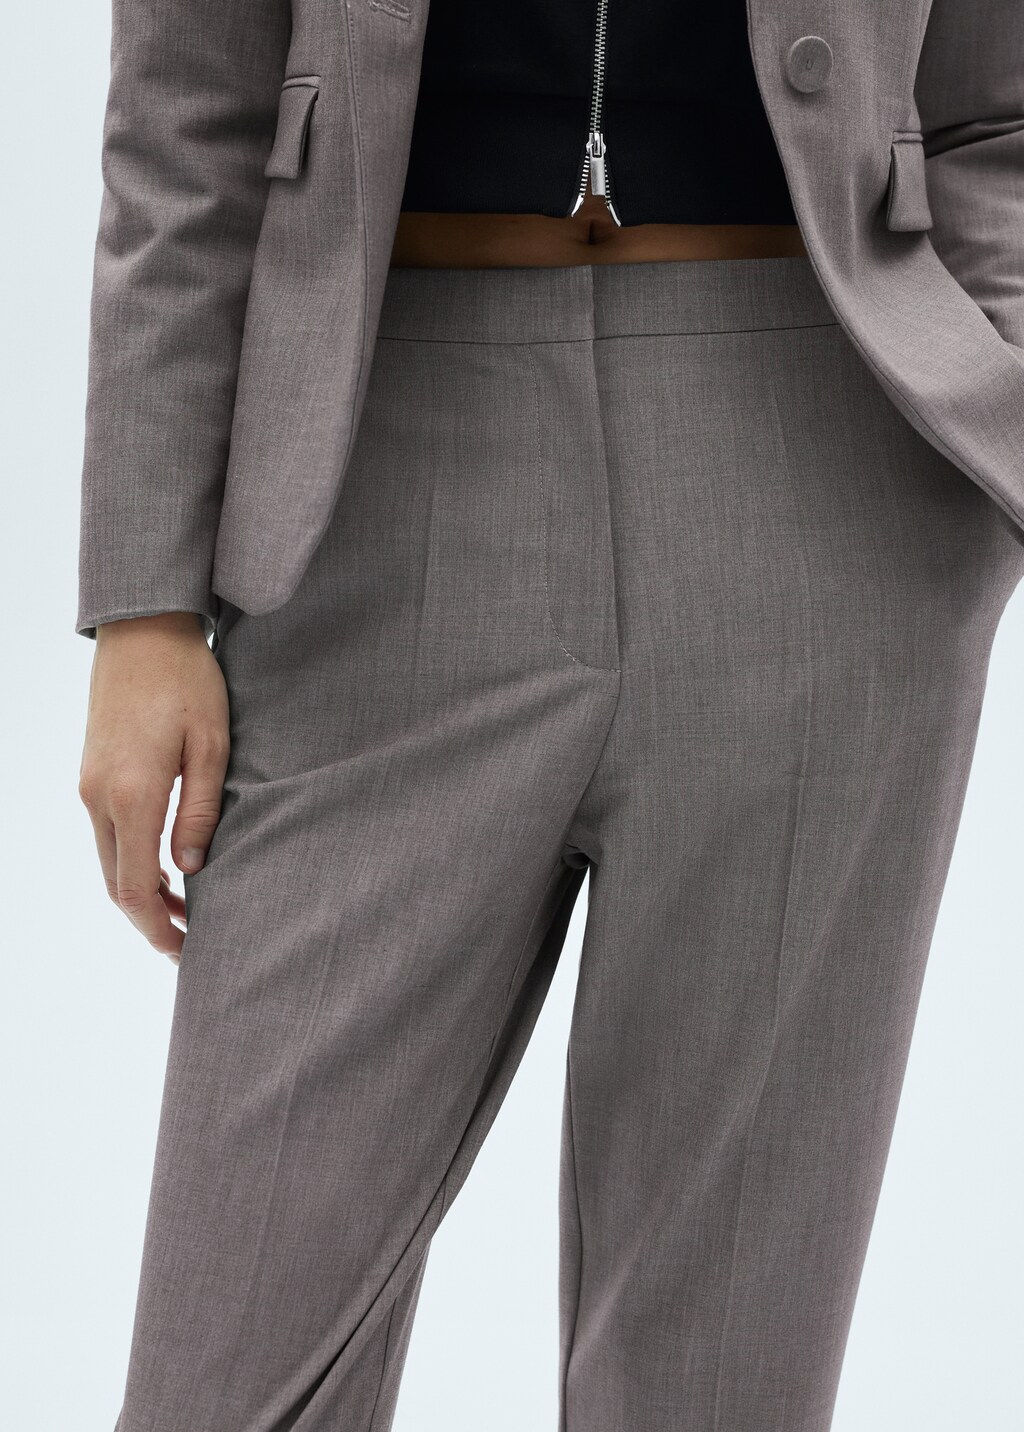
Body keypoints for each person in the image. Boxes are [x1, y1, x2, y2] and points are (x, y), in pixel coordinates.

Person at [77, 2, 1024, 1428]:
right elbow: (181, 125)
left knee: (718, 1384)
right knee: (223, 1371)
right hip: (373, 473)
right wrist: (144, 606)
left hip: (829, 472)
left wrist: (988, 424)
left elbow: (999, 110)